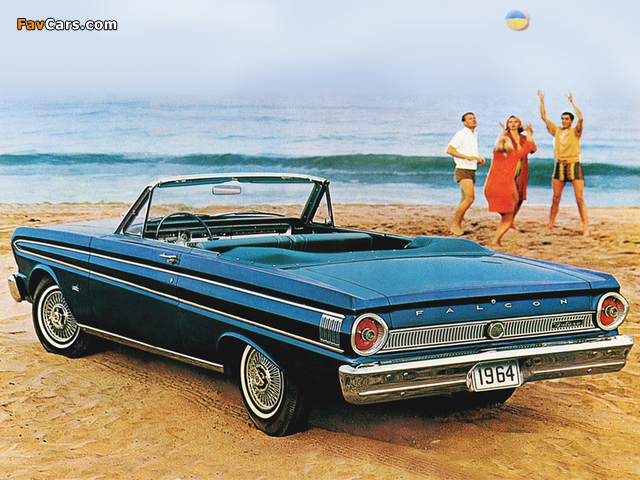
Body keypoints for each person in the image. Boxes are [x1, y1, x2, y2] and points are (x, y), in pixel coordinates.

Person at [538, 91, 588, 236]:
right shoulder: (557, 131)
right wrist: (541, 100)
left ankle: (585, 226)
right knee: (555, 198)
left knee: (579, 198)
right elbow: (544, 117)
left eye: (567, 119)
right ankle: (550, 224)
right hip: (560, 165)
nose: (564, 121)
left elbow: (581, 118)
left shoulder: (576, 131)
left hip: (573, 165)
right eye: (562, 119)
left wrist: (572, 102)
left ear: (571, 121)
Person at [484, 117, 537, 246]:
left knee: (512, 206)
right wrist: (530, 134)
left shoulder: (496, 153)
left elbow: (530, 148)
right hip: (507, 182)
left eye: (515, 122)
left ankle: (500, 234)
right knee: (508, 215)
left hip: (492, 185)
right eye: (510, 122)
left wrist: (502, 132)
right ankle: (497, 239)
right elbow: (528, 147)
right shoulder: (515, 154)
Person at [446, 112, 486, 235]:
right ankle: (455, 225)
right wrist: (468, 158)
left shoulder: (474, 134)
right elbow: (450, 150)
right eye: (470, 119)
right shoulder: (462, 133)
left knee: (465, 199)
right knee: (470, 198)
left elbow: (469, 152)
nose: (473, 120)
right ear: (464, 122)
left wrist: (478, 159)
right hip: (463, 169)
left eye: (474, 118)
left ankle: (457, 225)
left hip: (471, 169)